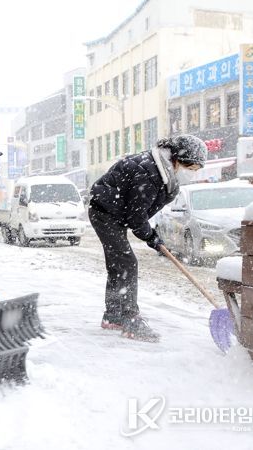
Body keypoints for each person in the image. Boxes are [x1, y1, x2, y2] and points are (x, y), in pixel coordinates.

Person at [88, 134, 207, 342]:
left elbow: (138, 212)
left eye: (196, 170)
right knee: (126, 263)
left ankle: (113, 316)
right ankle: (130, 320)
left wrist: (151, 235)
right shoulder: (149, 172)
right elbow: (136, 216)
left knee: (119, 263)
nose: (191, 174)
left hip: (115, 212)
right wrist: (152, 237)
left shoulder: (162, 171)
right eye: (191, 168)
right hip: (105, 212)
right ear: (178, 160)